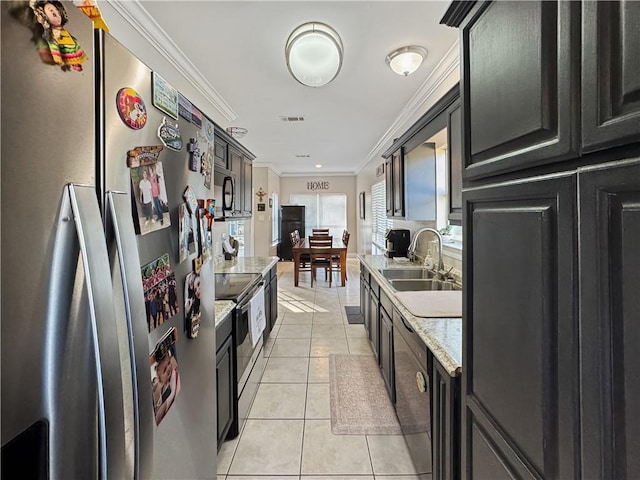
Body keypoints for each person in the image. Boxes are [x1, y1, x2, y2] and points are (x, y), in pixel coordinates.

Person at [30, 1, 87, 72]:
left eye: (58, 13)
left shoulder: (60, 30)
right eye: (54, 14)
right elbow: (53, 47)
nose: (58, 16)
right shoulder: (53, 34)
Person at [152, 350, 179, 425]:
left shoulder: (173, 372)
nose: (168, 368)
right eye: (164, 370)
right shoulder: (162, 390)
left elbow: (172, 361)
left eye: (168, 364)